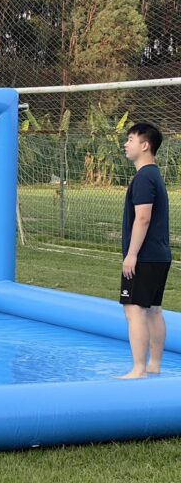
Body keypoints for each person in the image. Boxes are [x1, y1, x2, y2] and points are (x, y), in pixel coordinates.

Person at [118, 122, 172, 378]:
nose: (126, 144)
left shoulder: (143, 178)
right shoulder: (155, 175)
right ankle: (154, 366)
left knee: (134, 309)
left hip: (145, 255)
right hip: (160, 255)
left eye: (130, 139)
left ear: (145, 145)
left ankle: (139, 368)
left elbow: (143, 218)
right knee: (153, 309)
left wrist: (131, 254)